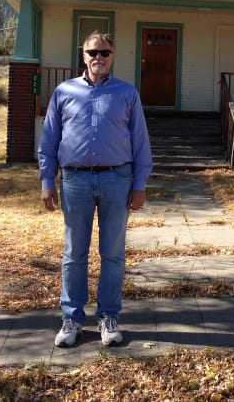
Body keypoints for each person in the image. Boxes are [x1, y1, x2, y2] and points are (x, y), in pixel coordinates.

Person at [38, 31, 153, 347]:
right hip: (75, 181)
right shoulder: (64, 92)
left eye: (104, 52)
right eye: (92, 52)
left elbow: (140, 142)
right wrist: (47, 181)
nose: (98, 58)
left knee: (113, 253)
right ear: (83, 55)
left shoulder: (126, 94)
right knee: (74, 253)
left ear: (113, 55)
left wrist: (139, 185)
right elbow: (48, 141)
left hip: (118, 180)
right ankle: (72, 319)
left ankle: (108, 317)